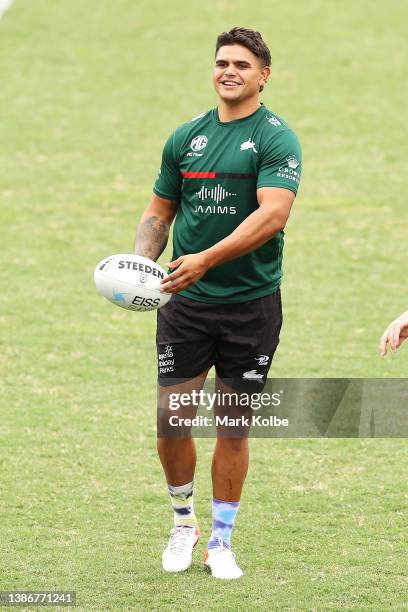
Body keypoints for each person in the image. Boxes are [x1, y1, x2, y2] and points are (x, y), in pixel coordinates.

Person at [134, 27, 302, 579]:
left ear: (263, 75)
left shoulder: (277, 139)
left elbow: (272, 215)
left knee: (233, 424)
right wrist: (141, 263)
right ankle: (184, 523)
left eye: (242, 65)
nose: (229, 71)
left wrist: (204, 257)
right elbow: (160, 212)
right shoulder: (186, 137)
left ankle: (221, 542)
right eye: (222, 63)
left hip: (252, 304)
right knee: (171, 417)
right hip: (187, 303)